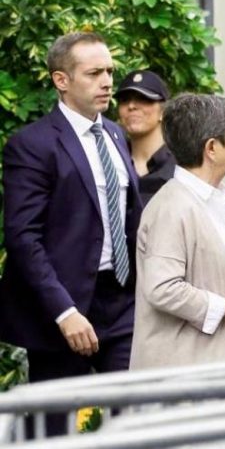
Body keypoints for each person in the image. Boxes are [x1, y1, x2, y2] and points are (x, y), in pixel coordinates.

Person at [0, 32, 141, 430]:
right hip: (62, 309)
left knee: (135, 418)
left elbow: (131, 217)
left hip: (122, 302)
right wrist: (64, 312)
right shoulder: (32, 145)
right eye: (94, 73)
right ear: (62, 80)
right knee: (54, 428)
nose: (108, 81)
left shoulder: (115, 134)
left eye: (110, 71)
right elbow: (23, 237)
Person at [130, 93, 225, 369]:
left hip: (220, 369)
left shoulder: (212, 201)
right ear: (211, 148)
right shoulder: (172, 207)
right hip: (188, 379)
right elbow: (163, 288)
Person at [115, 69, 175, 205]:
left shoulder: (182, 165)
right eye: (124, 100)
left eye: (144, 99)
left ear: (163, 111)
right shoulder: (112, 161)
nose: (132, 106)